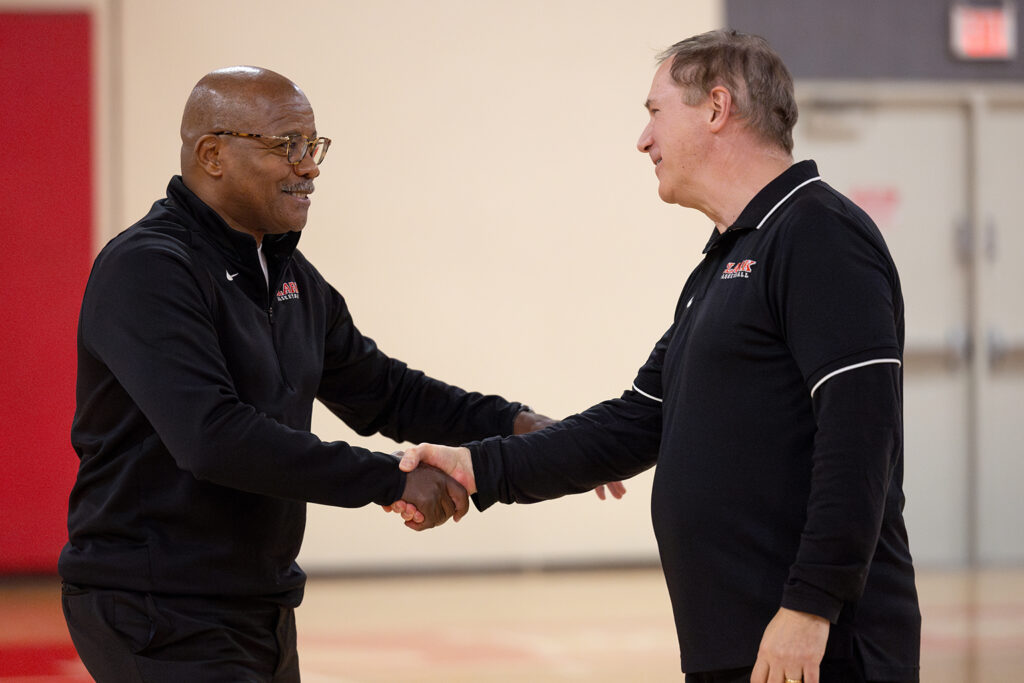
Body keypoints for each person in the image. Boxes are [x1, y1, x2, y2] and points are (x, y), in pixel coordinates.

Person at [390, 30, 921, 683]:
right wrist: (475, 465)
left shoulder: (818, 233)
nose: (643, 140)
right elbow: (632, 422)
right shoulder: (723, 261)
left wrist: (810, 605)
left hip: (817, 646)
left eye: (654, 111)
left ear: (716, 108)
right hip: (738, 643)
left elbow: (861, 440)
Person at [59, 65, 604, 682]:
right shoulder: (150, 269)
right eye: (286, 146)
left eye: (312, 146)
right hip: (153, 604)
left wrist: (517, 424)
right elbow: (212, 438)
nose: (310, 166)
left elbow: (383, 391)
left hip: (260, 602)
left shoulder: (288, 273)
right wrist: (391, 481)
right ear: (212, 154)